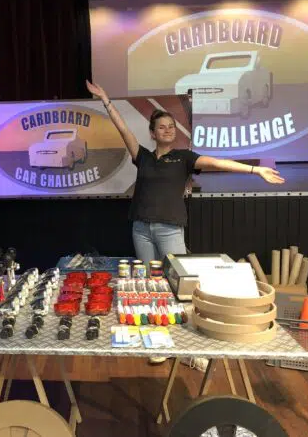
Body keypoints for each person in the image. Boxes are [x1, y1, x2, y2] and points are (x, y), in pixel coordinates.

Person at [86, 80, 285, 366]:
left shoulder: (184, 158)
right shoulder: (142, 157)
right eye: (162, 127)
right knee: (150, 286)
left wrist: (255, 170)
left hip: (169, 230)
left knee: (180, 287)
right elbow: (123, 129)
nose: (168, 130)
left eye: (171, 126)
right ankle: (159, 341)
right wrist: (106, 100)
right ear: (153, 133)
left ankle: (190, 348)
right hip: (141, 229)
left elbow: (217, 163)